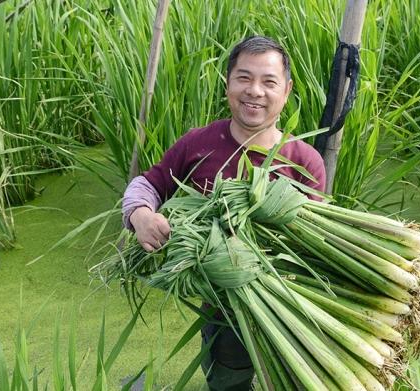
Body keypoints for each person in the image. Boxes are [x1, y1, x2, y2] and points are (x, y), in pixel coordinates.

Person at [122, 36, 326, 390]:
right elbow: (148, 184)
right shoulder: (198, 143)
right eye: (244, 78)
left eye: (268, 81)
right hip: (221, 314)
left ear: (287, 89)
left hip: (289, 313)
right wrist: (140, 215)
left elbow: (314, 246)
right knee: (227, 381)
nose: (255, 91)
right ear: (228, 83)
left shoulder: (303, 161)